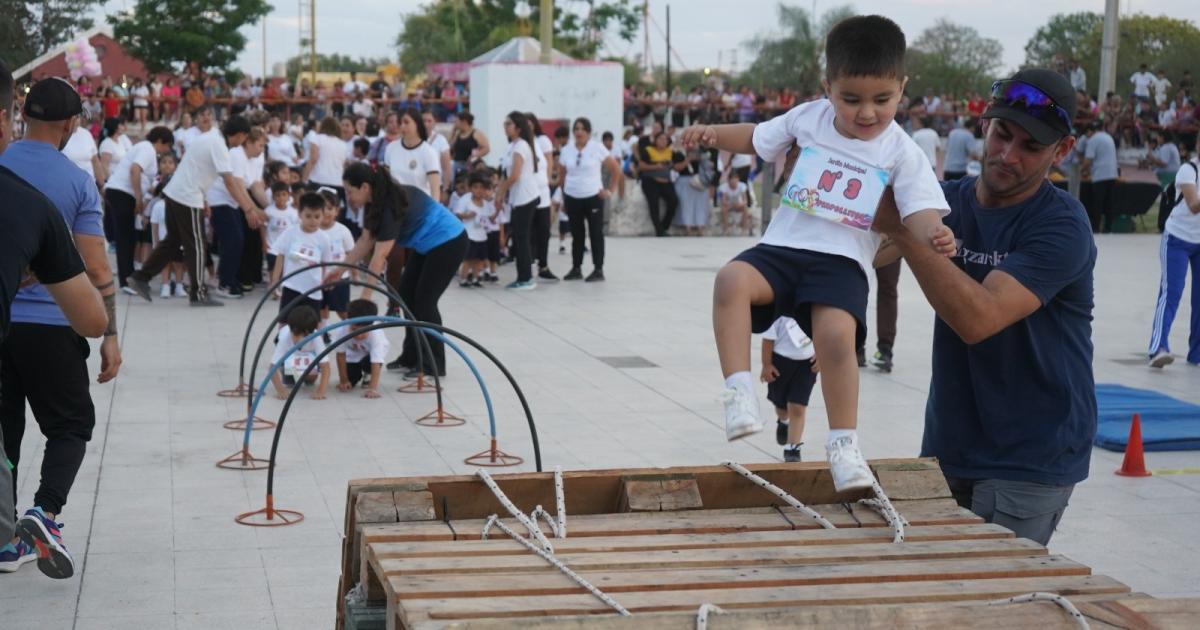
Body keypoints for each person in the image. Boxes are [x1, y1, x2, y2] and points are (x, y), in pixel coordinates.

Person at [681, 15, 952, 491]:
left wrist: (938, 235)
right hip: (784, 246)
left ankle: (844, 444)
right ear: (828, 87)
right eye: (851, 100)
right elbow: (757, 138)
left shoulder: (901, 151)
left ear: (902, 89)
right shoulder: (808, 116)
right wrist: (712, 133)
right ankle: (738, 390)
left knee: (835, 337)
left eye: (881, 100)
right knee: (729, 281)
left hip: (841, 260)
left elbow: (922, 208)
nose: (866, 113)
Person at [871, 68, 1095, 545]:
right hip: (948, 446)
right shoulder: (943, 203)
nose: (1007, 155)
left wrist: (905, 233)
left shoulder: (1062, 226)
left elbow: (979, 319)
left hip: (1029, 459)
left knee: (992, 604)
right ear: (984, 127)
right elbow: (867, 249)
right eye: (1001, 135)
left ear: (1063, 151)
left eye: (1030, 147)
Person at [0, 76, 119, 579]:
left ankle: (6, 542)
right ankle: (43, 513)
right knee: (70, 426)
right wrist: (110, 333)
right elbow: (95, 268)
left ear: (22, 114)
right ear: (72, 125)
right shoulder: (75, 181)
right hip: (55, 325)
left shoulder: (3, 167)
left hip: (4, 323)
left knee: (5, 434)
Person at [336, 162, 467, 378]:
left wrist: (365, 300)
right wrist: (339, 270)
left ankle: (433, 363)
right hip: (427, 245)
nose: (348, 197)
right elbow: (366, 240)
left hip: (449, 242)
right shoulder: (374, 202)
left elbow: (380, 257)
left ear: (365, 187)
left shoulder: (390, 205)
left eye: (350, 191)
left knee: (425, 302)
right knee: (406, 295)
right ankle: (411, 356)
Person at [125, 115, 258, 306]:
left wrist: (204, 199)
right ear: (239, 134)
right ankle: (198, 293)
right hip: (187, 197)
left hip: (176, 194)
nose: (243, 143)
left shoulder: (210, 138)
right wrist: (248, 209)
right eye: (244, 138)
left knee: (172, 242)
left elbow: (195, 169)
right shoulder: (218, 144)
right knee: (196, 246)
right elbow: (230, 182)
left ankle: (140, 277)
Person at [1146, 135, 1200, 368]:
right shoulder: (1188, 170)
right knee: (1171, 293)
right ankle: (1158, 348)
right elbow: (1194, 205)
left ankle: (1196, 354)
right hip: (1177, 238)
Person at [103, 125, 174, 294]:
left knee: (129, 238)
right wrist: (138, 198)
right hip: (123, 193)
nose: (167, 150)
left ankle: (128, 277)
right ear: (159, 141)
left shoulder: (145, 149)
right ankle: (126, 281)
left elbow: (143, 179)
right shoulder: (147, 149)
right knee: (126, 239)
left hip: (121, 193)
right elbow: (135, 170)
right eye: (167, 145)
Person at [208, 126, 268, 298]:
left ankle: (229, 279)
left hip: (232, 202)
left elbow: (255, 186)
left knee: (238, 240)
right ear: (248, 142)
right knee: (233, 240)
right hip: (220, 200)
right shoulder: (237, 154)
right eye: (260, 145)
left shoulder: (253, 159)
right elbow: (238, 185)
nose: (261, 150)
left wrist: (265, 209)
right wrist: (251, 209)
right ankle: (225, 283)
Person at [559, 117, 621, 282]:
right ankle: (576, 267)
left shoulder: (597, 148)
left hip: (593, 195)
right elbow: (562, 175)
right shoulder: (567, 150)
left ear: (588, 132)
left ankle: (598, 269)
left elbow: (615, 169)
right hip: (573, 196)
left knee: (595, 233)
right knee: (577, 234)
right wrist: (564, 198)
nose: (579, 132)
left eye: (582, 129)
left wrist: (610, 191)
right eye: (576, 129)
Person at [760, 316, 817, 463]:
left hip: (807, 364)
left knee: (798, 407)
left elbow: (822, 331)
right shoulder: (779, 313)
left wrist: (821, 355)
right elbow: (768, 340)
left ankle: (793, 449)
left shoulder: (811, 308)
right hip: (780, 363)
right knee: (781, 406)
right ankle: (783, 421)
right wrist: (766, 365)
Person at [496, 111, 543, 290]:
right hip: (518, 198)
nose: (505, 127)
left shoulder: (521, 146)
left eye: (508, 124)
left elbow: (515, 175)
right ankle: (523, 276)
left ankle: (526, 278)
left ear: (518, 127)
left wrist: (500, 192)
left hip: (525, 196)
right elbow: (505, 173)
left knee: (522, 238)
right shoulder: (512, 146)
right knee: (519, 237)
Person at [270, 192, 334, 321]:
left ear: (323, 215)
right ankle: (281, 340)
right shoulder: (290, 233)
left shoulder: (324, 239)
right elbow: (280, 254)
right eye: (308, 216)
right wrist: (275, 279)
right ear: (300, 214)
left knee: (311, 323)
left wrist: (325, 282)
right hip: (291, 285)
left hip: (313, 288)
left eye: (317, 216)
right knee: (285, 320)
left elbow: (325, 264)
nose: (313, 220)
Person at [147, 152, 187, 298]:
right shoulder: (158, 205)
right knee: (166, 264)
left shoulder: (181, 205)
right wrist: (156, 242)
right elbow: (155, 226)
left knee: (179, 264)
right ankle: (165, 285)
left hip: (179, 243)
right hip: (164, 242)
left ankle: (179, 285)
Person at [270, 304, 330, 400]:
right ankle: (288, 369)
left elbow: (326, 366)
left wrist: (321, 391)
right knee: (290, 381)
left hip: (307, 354)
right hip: (289, 354)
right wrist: (280, 390)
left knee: (311, 379)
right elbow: (272, 367)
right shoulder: (285, 338)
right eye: (294, 333)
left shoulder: (316, 337)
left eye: (300, 335)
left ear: (308, 333)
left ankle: (304, 372)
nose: (296, 338)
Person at [526, 113, 558, 281]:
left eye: (530, 123)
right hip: (528, 193)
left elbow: (549, 161)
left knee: (543, 230)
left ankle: (543, 264)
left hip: (542, 191)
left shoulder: (543, 141)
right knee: (529, 230)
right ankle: (529, 263)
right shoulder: (521, 143)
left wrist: (547, 180)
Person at [336, 299, 389, 397]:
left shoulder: (376, 336)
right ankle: (356, 375)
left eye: (363, 331)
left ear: (371, 326)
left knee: (369, 363)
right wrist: (344, 380)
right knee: (350, 380)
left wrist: (372, 389)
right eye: (354, 330)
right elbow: (340, 355)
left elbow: (376, 362)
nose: (358, 336)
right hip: (354, 353)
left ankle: (368, 374)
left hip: (371, 356)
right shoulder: (342, 330)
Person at [318, 188, 356, 320]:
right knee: (322, 308)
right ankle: (324, 333)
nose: (325, 212)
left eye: (329, 208)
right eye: (322, 208)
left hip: (340, 277)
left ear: (336, 211)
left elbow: (351, 253)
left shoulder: (343, 231)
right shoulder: (314, 231)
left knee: (343, 310)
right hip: (319, 278)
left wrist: (355, 275)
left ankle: (351, 329)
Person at [455, 170, 493, 287]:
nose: (479, 190)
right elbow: (457, 213)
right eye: (476, 187)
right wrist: (467, 216)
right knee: (468, 259)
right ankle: (464, 278)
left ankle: (477, 278)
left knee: (479, 259)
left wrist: (497, 208)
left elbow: (490, 218)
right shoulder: (466, 200)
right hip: (470, 235)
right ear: (471, 188)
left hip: (481, 236)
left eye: (482, 188)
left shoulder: (486, 204)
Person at [639, 131, 679, 236]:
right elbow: (641, 166)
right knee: (654, 204)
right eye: (660, 139)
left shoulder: (670, 152)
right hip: (651, 181)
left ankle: (664, 227)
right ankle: (659, 230)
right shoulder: (648, 150)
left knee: (674, 201)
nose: (663, 141)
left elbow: (676, 165)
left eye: (665, 139)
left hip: (666, 182)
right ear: (656, 140)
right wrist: (656, 167)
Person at [1082, 121, 1118, 233]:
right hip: (1112, 174)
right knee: (1109, 203)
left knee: (1097, 203)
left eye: (1086, 134)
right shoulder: (1109, 137)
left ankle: (1096, 228)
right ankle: (1108, 228)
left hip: (1100, 175)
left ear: (1090, 131)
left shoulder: (1093, 140)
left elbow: (1088, 161)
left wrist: (1081, 171)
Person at [264, 181, 299, 285]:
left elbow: (296, 228)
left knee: (285, 266)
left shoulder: (293, 212)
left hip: (287, 246)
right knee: (272, 266)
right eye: (277, 195)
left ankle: (283, 285)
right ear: (273, 197)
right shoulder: (268, 211)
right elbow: (263, 227)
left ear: (289, 196)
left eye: (284, 195)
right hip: (272, 245)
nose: (281, 198)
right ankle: (273, 285)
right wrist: (264, 242)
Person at [449, 112, 489, 179]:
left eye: (457, 121)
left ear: (464, 122)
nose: (455, 124)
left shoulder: (476, 133)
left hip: (471, 165)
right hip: (458, 164)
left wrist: (475, 155)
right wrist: (453, 131)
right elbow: (450, 147)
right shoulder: (458, 134)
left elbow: (486, 148)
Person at [718, 170, 751, 236]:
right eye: (732, 179)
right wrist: (730, 204)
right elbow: (723, 201)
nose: (734, 181)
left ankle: (744, 228)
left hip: (739, 205)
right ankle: (726, 229)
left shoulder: (742, 186)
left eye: (735, 179)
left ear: (738, 179)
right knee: (724, 209)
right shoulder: (724, 187)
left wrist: (740, 204)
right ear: (729, 180)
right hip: (729, 205)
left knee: (745, 208)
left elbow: (745, 201)